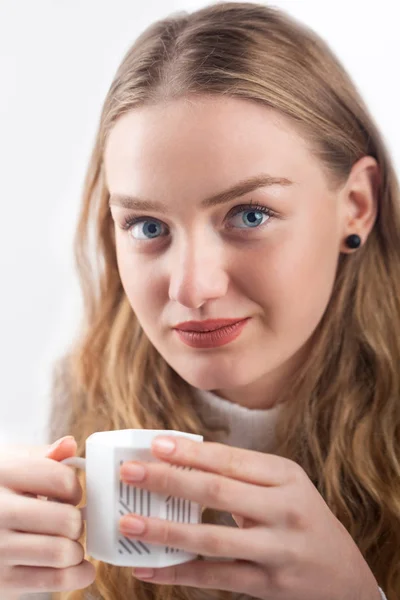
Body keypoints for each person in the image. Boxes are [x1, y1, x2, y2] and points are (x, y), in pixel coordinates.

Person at [0, 1, 397, 599]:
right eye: (147, 227)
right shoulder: (82, 399)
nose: (191, 288)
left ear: (357, 205)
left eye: (250, 214)